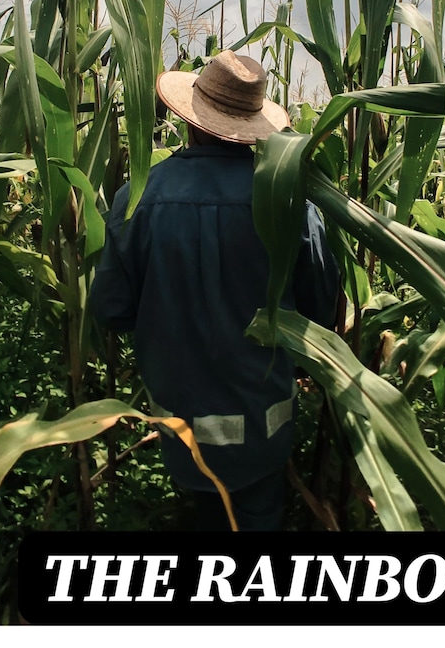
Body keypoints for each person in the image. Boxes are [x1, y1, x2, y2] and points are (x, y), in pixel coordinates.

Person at [89, 49, 339, 531]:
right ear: (253, 125)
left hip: (182, 438)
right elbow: (319, 314)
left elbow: (112, 310)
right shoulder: (289, 202)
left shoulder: (137, 198)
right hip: (266, 435)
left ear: (191, 119)